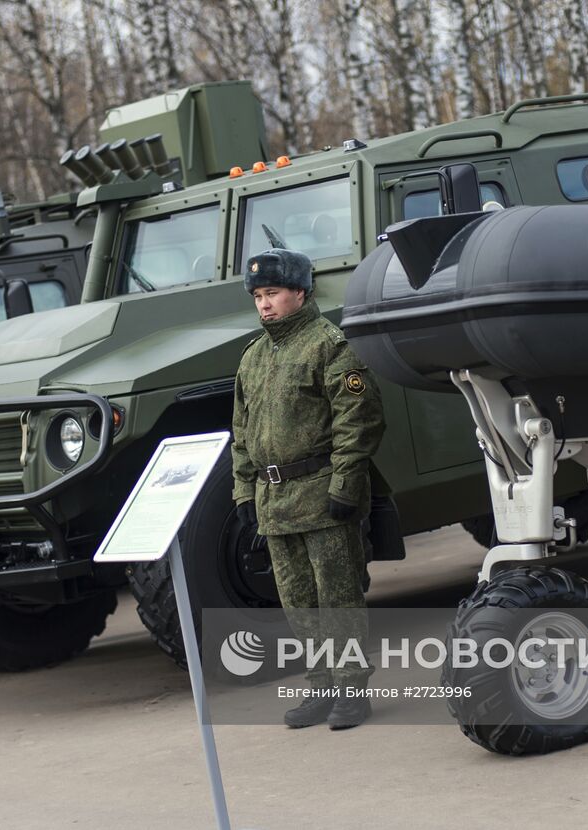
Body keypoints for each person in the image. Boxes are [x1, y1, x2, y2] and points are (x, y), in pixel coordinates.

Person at [230, 249, 386, 730]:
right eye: (258, 296)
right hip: (275, 501)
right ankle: (320, 688)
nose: (265, 305)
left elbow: (358, 420)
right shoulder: (253, 358)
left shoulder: (331, 346)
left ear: (300, 291)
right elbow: (242, 432)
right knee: (297, 602)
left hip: (321, 494)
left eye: (273, 293)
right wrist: (243, 492)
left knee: (337, 598)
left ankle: (352, 691)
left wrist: (345, 485)